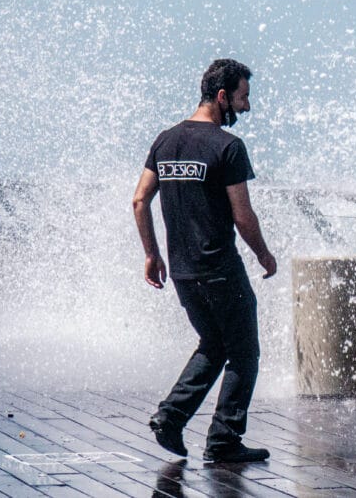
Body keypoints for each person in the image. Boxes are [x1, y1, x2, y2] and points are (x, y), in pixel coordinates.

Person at [132, 58, 277, 464]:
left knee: (214, 344)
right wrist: (265, 255)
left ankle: (170, 418)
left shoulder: (166, 141)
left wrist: (152, 253)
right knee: (244, 351)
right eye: (243, 97)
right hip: (219, 268)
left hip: (181, 270)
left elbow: (139, 199)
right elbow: (242, 215)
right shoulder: (227, 147)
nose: (246, 108)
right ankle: (224, 440)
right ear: (221, 96)